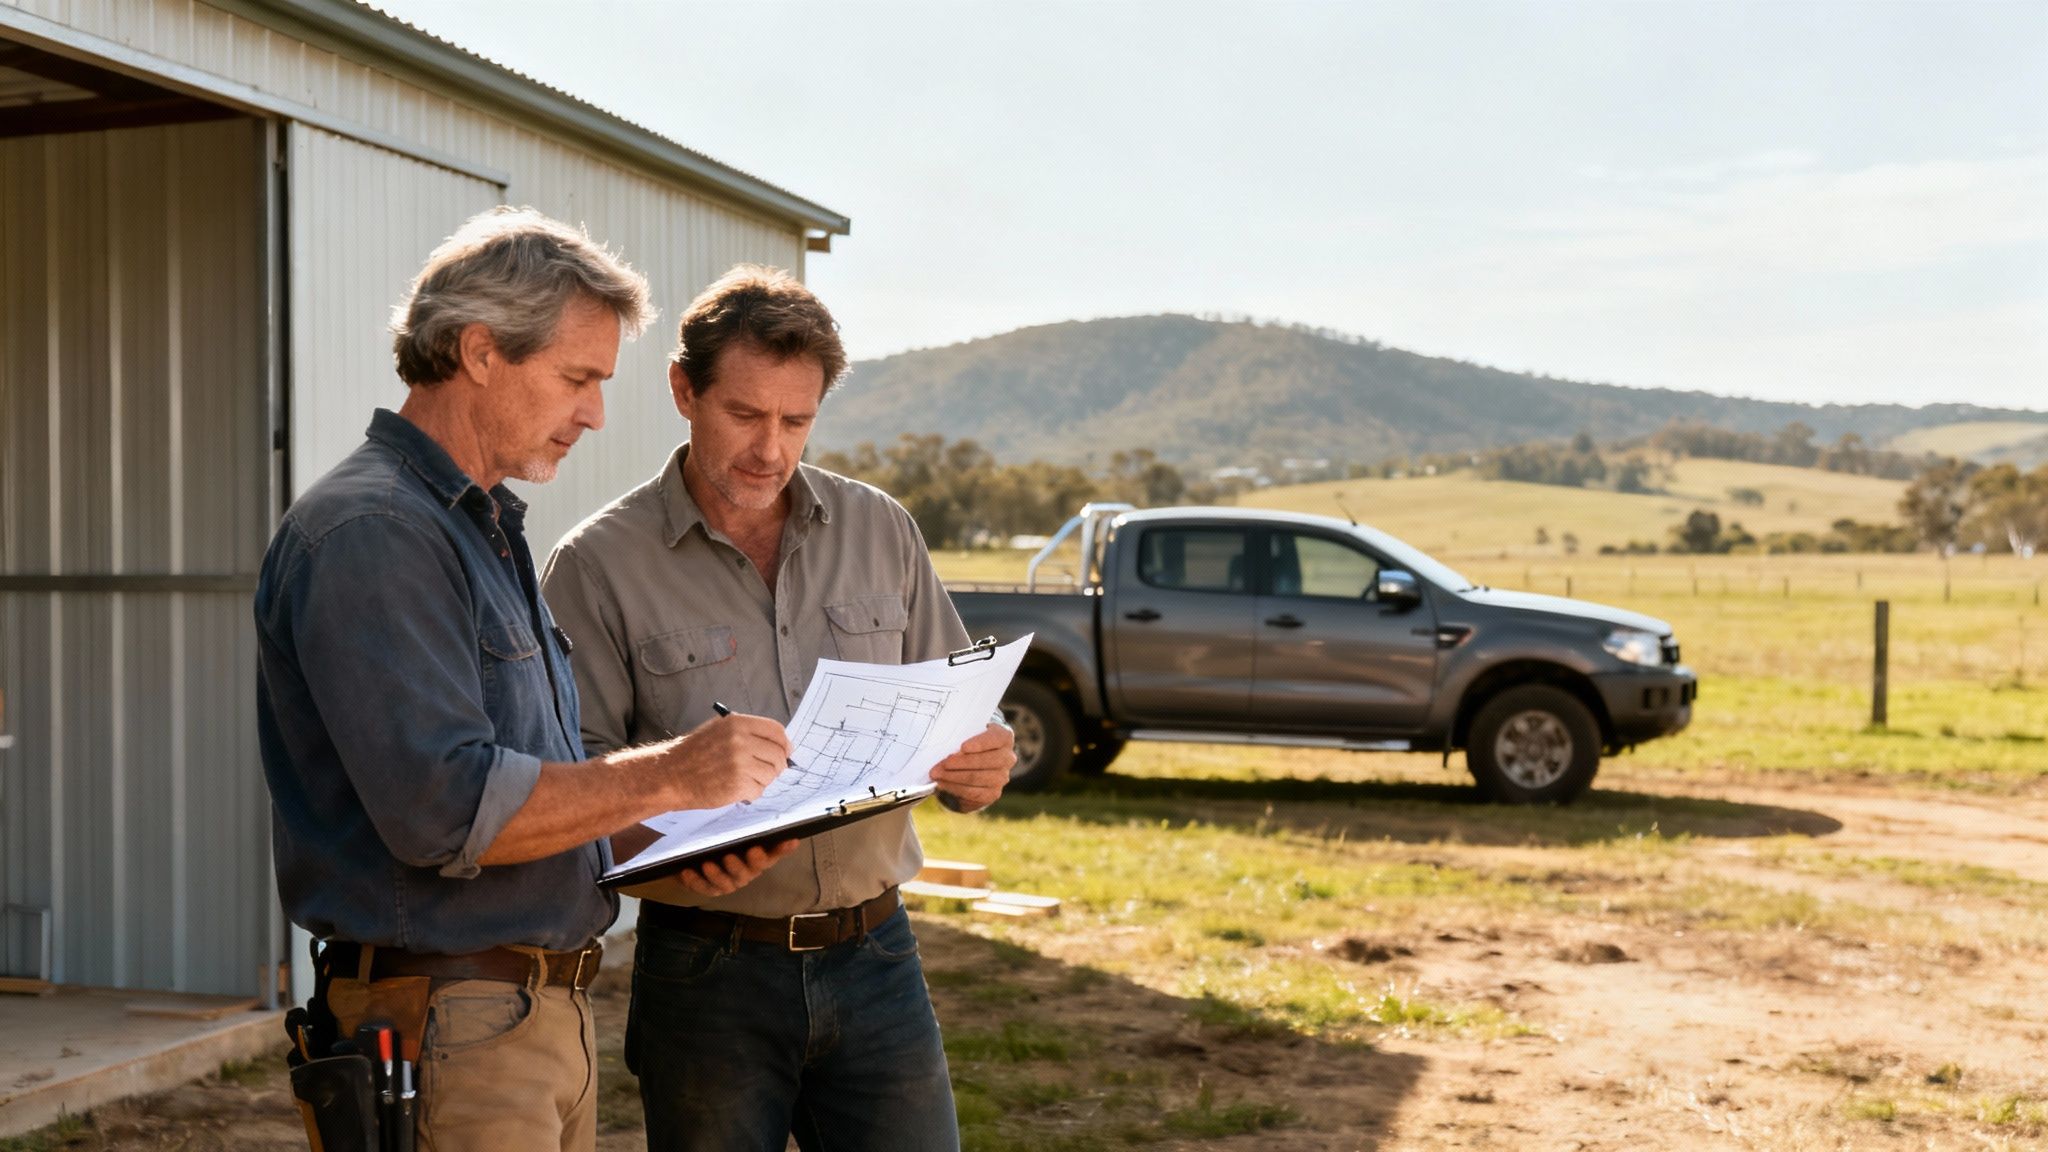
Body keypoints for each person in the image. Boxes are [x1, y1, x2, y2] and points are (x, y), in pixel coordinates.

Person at [255, 209, 793, 1152]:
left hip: (516, 1021)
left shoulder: (478, 528)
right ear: (479, 351)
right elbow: (446, 809)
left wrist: (672, 833)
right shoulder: (376, 534)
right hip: (452, 1027)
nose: (593, 412)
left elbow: (525, 789)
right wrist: (673, 774)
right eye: (577, 378)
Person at [542, 264, 1016, 1151]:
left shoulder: (883, 530)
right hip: (705, 973)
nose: (770, 449)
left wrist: (985, 760)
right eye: (745, 415)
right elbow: (572, 795)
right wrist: (672, 851)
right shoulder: (595, 566)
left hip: (879, 957)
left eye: (796, 422)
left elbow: (956, 708)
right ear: (685, 391)